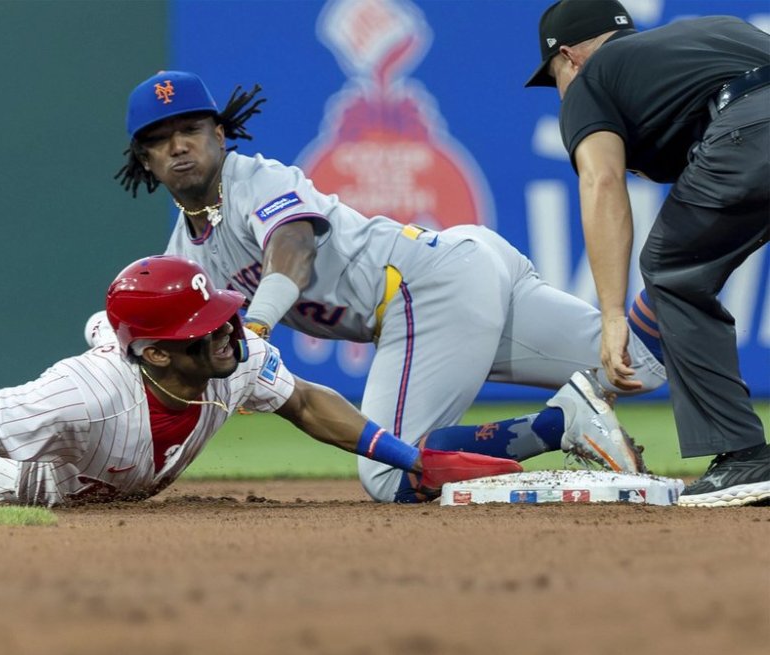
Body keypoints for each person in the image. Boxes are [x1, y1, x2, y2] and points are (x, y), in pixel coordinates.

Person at [113, 70, 665, 503]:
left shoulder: (256, 178)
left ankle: (561, 423)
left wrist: (256, 326)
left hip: (425, 290)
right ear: (146, 159)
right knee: (638, 362)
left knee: (388, 474)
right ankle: (677, 287)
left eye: (190, 129)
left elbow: (294, 248)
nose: (179, 146)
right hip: (461, 269)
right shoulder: (184, 255)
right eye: (161, 139)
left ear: (219, 134)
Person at [0, 255, 522, 506]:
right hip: (31, 477)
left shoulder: (233, 357)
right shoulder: (85, 393)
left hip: (130, 389)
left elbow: (307, 402)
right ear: (157, 354)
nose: (228, 331)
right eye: (204, 326)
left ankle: (109, 324)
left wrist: (409, 457)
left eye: (221, 315)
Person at [524, 0, 769, 507]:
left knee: (672, 269)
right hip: (750, 118)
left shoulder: (591, 80)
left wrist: (613, 314)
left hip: (750, 127)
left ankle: (744, 456)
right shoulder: (712, 32)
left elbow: (602, 180)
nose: (561, 91)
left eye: (555, 78)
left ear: (569, 57)